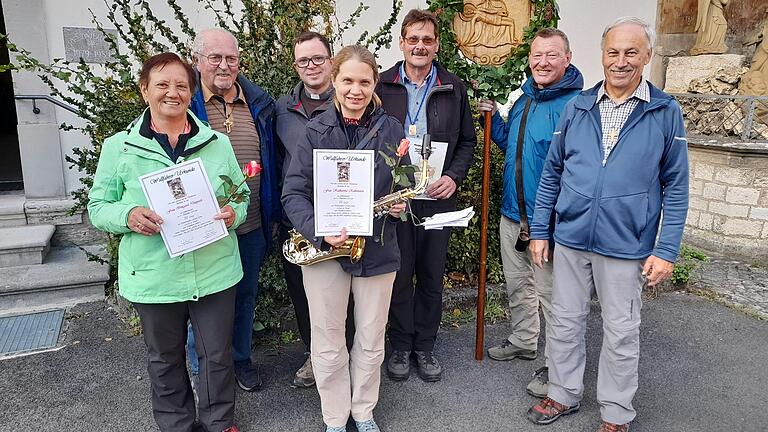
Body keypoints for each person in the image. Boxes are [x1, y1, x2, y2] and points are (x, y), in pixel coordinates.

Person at [525, 17, 689, 432]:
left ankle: (616, 413)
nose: (620, 61)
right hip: (572, 237)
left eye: (631, 52)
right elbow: (552, 174)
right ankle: (562, 393)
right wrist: (542, 230)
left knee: (621, 332)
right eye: (613, 52)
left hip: (627, 244)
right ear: (602, 56)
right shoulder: (577, 106)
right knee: (565, 320)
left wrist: (666, 249)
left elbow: (677, 186)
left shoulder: (665, 112)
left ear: (647, 56)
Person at [88, 52, 244, 432]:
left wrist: (232, 213)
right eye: (162, 84)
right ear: (145, 91)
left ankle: (218, 422)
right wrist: (127, 216)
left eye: (181, 85)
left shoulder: (217, 143)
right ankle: (176, 425)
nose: (172, 93)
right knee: (164, 358)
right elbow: (98, 207)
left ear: (191, 93)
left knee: (218, 356)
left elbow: (239, 195)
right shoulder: (118, 147)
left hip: (214, 270)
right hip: (155, 275)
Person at [282, 44, 407, 432]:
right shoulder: (313, 130)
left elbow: (403, 183)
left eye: (364, 81)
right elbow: (293, 193)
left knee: (371, 338)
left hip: (378, 249)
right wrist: (320, 231)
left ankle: (363, 411)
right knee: (328, 340)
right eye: (348, 80)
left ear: (375, 86)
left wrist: (402, 205)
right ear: (334, 80)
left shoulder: (393, 130)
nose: (356, 89)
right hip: (325, 251)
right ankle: (335, 417)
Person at [477, 28, 583, 399]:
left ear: (567, 59)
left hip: (547, 223)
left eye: (552, 55)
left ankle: (557, 367)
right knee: (519, 286)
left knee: (554, 298)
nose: (542, 62)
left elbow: (576, 171)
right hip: (512, 213)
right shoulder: (524, 98)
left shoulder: (575, 106)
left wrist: (550, 225)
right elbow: (513, 146)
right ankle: (524, 340)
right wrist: (492, 122)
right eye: (537, 55)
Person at [378, 8, 476, 383]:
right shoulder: (383, 84)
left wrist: (453, 176)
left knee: (432, 274)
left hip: (437, 197)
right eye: (413, 39)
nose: (420, 46)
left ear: (437, 45)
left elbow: (466, 141)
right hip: (396, 197)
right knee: (400, 274)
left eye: (427, 40)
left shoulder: (453, 86)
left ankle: (425, 346)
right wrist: (385, 185)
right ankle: (400, 346)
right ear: (401, 42)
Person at [187, 28, 281, 393]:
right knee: (204, 303)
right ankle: (204, 369)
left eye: (231, 58)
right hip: (205, 228)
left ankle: (240, 359)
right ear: (198, 61)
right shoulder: (187, 102)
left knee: (245, 297)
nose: (224, 65)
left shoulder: (259, 103)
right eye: (215, 57)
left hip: (251, 224)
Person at [274, 31, 355, 388]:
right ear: (295, 66)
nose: (311, 66)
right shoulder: (281, 108)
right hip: (299, 221)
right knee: (305, 296)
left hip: (345, 218)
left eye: (318, 58)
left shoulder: (353, 100)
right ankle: (314, 356)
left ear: (331, 60)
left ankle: (349, 358)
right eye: (303, 60)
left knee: (348, 295)